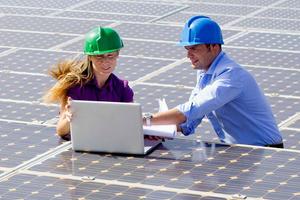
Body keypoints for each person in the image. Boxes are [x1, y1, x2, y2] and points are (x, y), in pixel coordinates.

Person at [143, 16, 283, 148]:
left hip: (264, 152)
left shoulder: (231, 76)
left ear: (214, 47)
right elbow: (190, 121)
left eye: (194, 48)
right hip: (243, 151)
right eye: (187, 49)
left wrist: (144, 121)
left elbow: (192, 109)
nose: (188, 55)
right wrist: (160, 129)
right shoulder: (204, 72)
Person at [44, 26, 134, 140]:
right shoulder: (75, 87)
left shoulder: (123, 88)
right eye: (99, 56)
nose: (105, 61)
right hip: (86, 146)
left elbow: (130, 124)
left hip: (115, 142)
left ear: (117, 54)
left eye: (110, 55)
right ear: (90, 57)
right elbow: (61, 131)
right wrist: (68, 118)